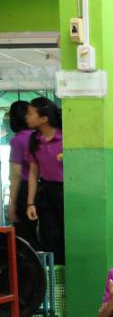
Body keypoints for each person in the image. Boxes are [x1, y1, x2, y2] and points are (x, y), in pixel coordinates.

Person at [23, 97, 64, 263]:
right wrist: (30, 203)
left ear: (44, 118)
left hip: (66, 191)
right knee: (49, 236)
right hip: (46, 191)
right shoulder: (34, 140)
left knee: (66, 234)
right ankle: (55, 272)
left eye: (30, 113)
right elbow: (33, 172)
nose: (27, 117)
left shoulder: (65, 138)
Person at [5, 100, 38, 247]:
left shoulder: (17, 141)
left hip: (24, 191)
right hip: (41, 189)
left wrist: (12, 204)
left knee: (25, 236)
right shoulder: (39, 137)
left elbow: (16, 174)